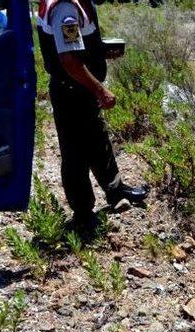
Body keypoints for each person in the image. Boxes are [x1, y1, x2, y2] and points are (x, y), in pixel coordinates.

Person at [37, 0, 147, 228]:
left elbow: (75, 46)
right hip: (72, 92)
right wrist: (100, 90)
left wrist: (99, 51)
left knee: (98, 142)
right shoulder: (66, 8)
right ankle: (83, 213)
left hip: (79, 90)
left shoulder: (80, 4)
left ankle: (116, 191)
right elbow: (69, 59)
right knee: (75, 153)